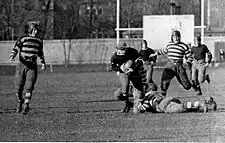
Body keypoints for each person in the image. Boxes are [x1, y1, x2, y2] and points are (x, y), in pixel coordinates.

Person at [10, 21, 47, 115]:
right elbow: (16, 47)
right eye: (34, 29)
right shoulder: (23, 38)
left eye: (36, 29)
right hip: (21, 65)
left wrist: (43, 63)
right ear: (31, 29)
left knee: (29, 86)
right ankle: (20, 101)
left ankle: (26, 104)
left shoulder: (39, 41)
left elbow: (40, 53)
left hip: (32, 66)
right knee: (18, 88)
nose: (36, 31)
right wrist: (13, 55)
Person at [150, 30, 193, 96]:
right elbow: (163, 51)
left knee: (187, 86)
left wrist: (188, 61)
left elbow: (189, 56)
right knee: (164, 79)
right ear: (172, 37)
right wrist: (154, 54)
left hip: (179, 66)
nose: (176, 38)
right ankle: (163, 94)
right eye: (175, 37)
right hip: (170, 65)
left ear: (180, 37)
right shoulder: (169, 45)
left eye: (178, 37)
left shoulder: (184, 46)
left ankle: (193, 84)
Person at [111, 43, 145, 113]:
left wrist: (134, 68)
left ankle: (140, 105)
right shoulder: (115, 57)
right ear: (118, 50)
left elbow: (140, 61)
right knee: (117, 95)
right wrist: (120, 68)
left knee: (137, 110)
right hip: (123, 73)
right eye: (123, 49)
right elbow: (113, 67)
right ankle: (128, 103)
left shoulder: (133, 51)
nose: (125, 50)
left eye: (125, 48)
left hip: (135, 75)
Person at [137, 83, 217, 113]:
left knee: (181, 107)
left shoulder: (147, 98)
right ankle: (207, 103)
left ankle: (200, 103)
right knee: (185, 108)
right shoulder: (156, 93)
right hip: (168, 99)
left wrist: (140, 107)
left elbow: (145, 107)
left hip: (162, 105)